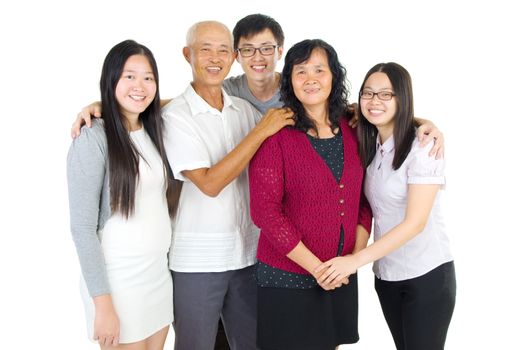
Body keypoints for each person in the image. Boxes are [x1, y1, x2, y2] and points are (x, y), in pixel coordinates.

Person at [71, 14, 445, 161]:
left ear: (280, 52)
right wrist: (108, 103)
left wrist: (419, 120)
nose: (258, 57)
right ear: (237, 56)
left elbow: (361, 108)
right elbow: (177, 103)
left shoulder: (302, 88)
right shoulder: (229, 91)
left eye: (267, 48)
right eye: (247, 50)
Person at [161, 21, 293, 350]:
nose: (215, 57)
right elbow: (209, 183)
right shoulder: (176, 116)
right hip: (197, 261)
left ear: (233, 57)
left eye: (223, 50)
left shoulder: (244, 110)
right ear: (187, 54)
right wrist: (261, 131)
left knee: (253, 343)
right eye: (205, 48)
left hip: (248, 255)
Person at [315, 62, 456, 350]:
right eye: (368, 93)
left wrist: (354, 260)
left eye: (385, 95)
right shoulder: (370, 142)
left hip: (426, 274)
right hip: (387, 275)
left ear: (402, 98)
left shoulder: (424, 148)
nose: (374, 101)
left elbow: (415, 224)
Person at [249, 38, 372, 350]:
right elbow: (265, 212)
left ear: (334, 76)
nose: (311, 78)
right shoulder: (276, 135)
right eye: (300, 71)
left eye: (320, 69)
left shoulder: (353, 126)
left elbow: (363, 200)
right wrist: (319, 269)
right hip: (287, 278)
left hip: (340, 275)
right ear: (290, 79)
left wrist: (352, 261)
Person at [67, 40, 180, 349]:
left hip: (157, 276)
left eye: (148, 77)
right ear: (111, 79)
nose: (139, 86)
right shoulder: (93, 136)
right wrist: (102, 305)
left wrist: (102, 102)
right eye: (129, 76)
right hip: (118, 282)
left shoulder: (152, 128)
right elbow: (82, 228)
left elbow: (186, 102)